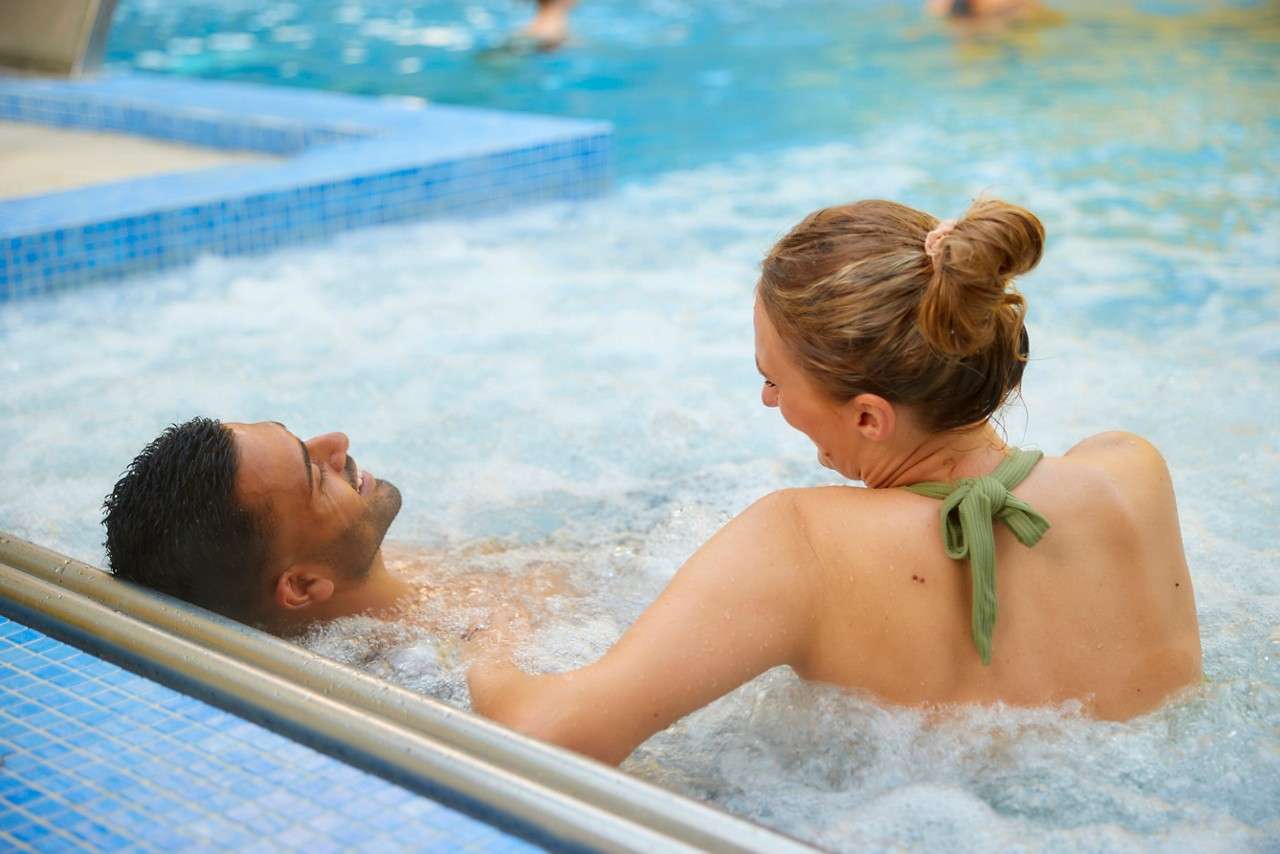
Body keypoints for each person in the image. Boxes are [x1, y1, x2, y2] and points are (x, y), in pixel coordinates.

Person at [467, 198, 1203, 766]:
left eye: (772, 380)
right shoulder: (1129, 473)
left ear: (870, 418)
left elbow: (550, 738)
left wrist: (495, 641)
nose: (766, 401)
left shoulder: (800, 544)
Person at [102, 418, 558, 638]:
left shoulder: (418, 567)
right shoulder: (438, 653)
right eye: (316, 476)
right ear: (301, 584)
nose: (337, 443)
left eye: (301, 440)